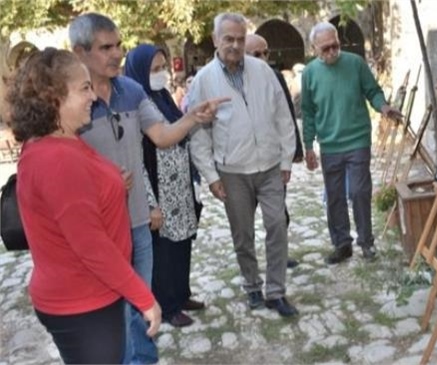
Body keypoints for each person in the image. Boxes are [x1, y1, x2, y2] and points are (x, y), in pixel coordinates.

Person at [69, 13, 226, 363]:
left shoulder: (133, 91)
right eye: (105, 47)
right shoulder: (68, 104)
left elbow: (162, 137)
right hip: (96, 228)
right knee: (111, 313)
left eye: (119, 45)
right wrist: (101, 182)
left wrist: (192, 118)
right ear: (79, 52)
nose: (116, 54)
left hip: (137, 222)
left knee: (141, 304)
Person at [4, 48, 161, 364]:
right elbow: (91, 246)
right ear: (54, 97)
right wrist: (144, 298)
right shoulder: (58, 159)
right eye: (84, 88)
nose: (93, 95)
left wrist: (107, 183)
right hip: (84, 302)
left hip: (82, 296)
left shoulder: (53, 142)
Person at [188, 13, 298, 317]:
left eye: (240, 38)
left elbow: (283, 117)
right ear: (215, 40)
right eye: (229, 39)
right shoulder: (203, 81)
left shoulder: (263, 71)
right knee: (243, 234)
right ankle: (252, 285)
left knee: (277, 224)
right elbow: (198, 135)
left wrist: (286, 157)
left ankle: (276, 291)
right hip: (232, 171)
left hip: (270, 167)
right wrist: (211, 176)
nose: (235, 45)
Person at [301, 22, 402, 265]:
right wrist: (308, 146)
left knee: (359, 192)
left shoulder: (355, 64)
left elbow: (373, 91)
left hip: (357, 140)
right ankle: (342, 244)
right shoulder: (310, 73)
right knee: (334, 196)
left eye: (335, 46)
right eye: (325, 49)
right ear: (314, 49)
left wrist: (384, 107)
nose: (332, 52)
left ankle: (366, 242)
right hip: (329, 144)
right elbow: (308, 111)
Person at [124, 44, 206, 328]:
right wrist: (149, 203)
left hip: (179, 188)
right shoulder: (134, 106)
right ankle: (167, 305)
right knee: (163, 252)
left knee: (182, 243)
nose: (162, 74)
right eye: (155, 69)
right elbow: (135, 158)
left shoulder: (163, 98)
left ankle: (181, 295)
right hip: (158, 190)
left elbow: (181, 132)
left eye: (163, 67)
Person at [245, 33, 303, 269]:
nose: (262, 58)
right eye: (256, 54)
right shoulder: (234, 79)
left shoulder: (275, 76)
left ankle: (279, 254)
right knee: (245, 218)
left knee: (278, 213)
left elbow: (287, 115)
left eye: (265, 53)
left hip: (273, 158)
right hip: (244, 161)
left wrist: (294, 150)